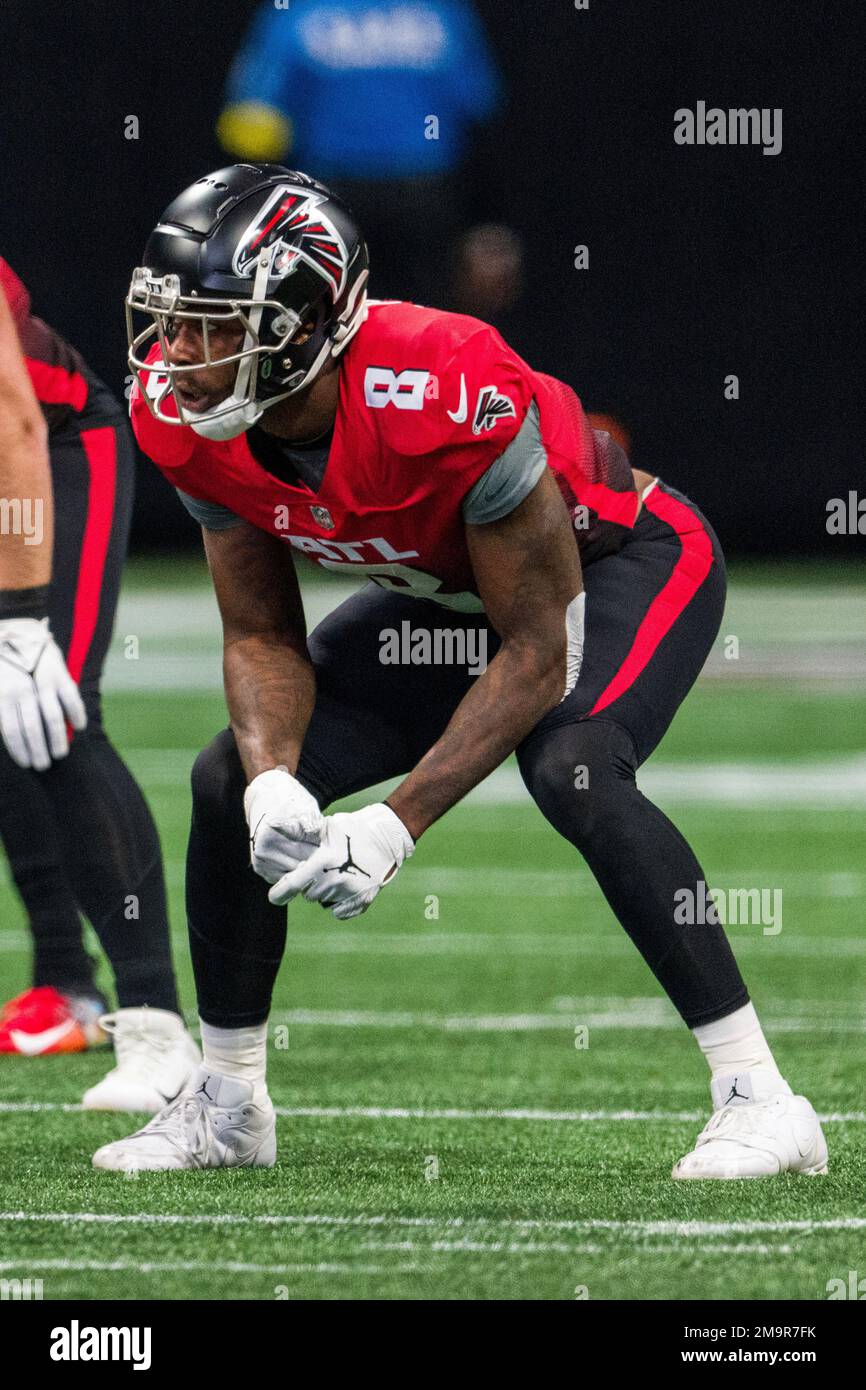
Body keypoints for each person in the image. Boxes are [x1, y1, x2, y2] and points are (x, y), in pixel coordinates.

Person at [94, 163, 826, 1178]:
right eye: (169, 321)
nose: (177, 354)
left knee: (571, 765)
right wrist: (272, 780)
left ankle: (761, 1097)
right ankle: (226, 1102)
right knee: (224, 780)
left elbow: (536, 647)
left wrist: (394, 825)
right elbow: (260, 628)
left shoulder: (438, 381)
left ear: (305, 327)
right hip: (448, 593)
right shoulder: (181, 417)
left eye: (213, 325)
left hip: (616, 562)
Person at [0, 259, 198, 1108]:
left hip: (54, 446)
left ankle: (158, 1029)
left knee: (55, 708)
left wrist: (19, 613)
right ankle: (63, 984)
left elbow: (12, 422)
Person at [217, 0, 501, 306]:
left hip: (334, 202)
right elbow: (478, 108)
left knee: (329, 321)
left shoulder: (297, 14)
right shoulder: (439, 13)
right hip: (420, 197)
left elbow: (251, 119)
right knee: (422, 317)